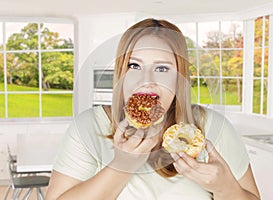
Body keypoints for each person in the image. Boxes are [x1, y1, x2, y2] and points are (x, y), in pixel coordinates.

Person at [46, 18, 260, 200]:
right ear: (121, 74)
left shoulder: (213, 127)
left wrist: (226, 188)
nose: (146, 80)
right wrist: (122, 165)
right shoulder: (88, 127)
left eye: (162, 68)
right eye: (134, 65)